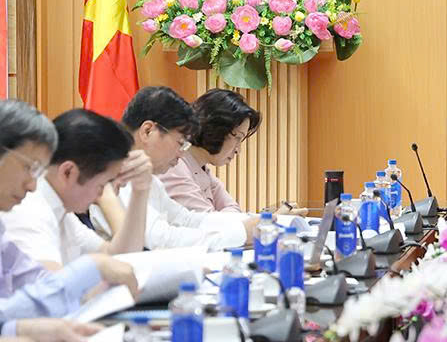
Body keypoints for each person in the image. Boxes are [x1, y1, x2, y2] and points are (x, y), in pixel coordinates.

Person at [0, 101, 137, 342]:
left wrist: (20, 330)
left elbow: (35, 288)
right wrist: (92, 267)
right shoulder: (28, 210)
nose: (32, 185)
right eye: (29, 168)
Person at [97, 87, 256, 249]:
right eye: (181, 143)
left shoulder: (149, 177)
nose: (182, 154)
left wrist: (254, 222)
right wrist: (241, 233)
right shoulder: (115, 172)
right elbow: (159, 240)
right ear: (148, 131)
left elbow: (187, 219)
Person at [3, 108, 150, 269]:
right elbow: (50, 283)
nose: (101, 195)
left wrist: (141, 190)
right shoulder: (29, 210)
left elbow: (120, 255)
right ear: (68, 172)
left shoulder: (63, 212)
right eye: (102, 185)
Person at [161, 89, 300, 215]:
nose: (238, 150)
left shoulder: (202, 169)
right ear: (216, 129)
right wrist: (272, 219)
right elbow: (209, 225)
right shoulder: (174, 168)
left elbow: (233, 210)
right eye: (237, 137)